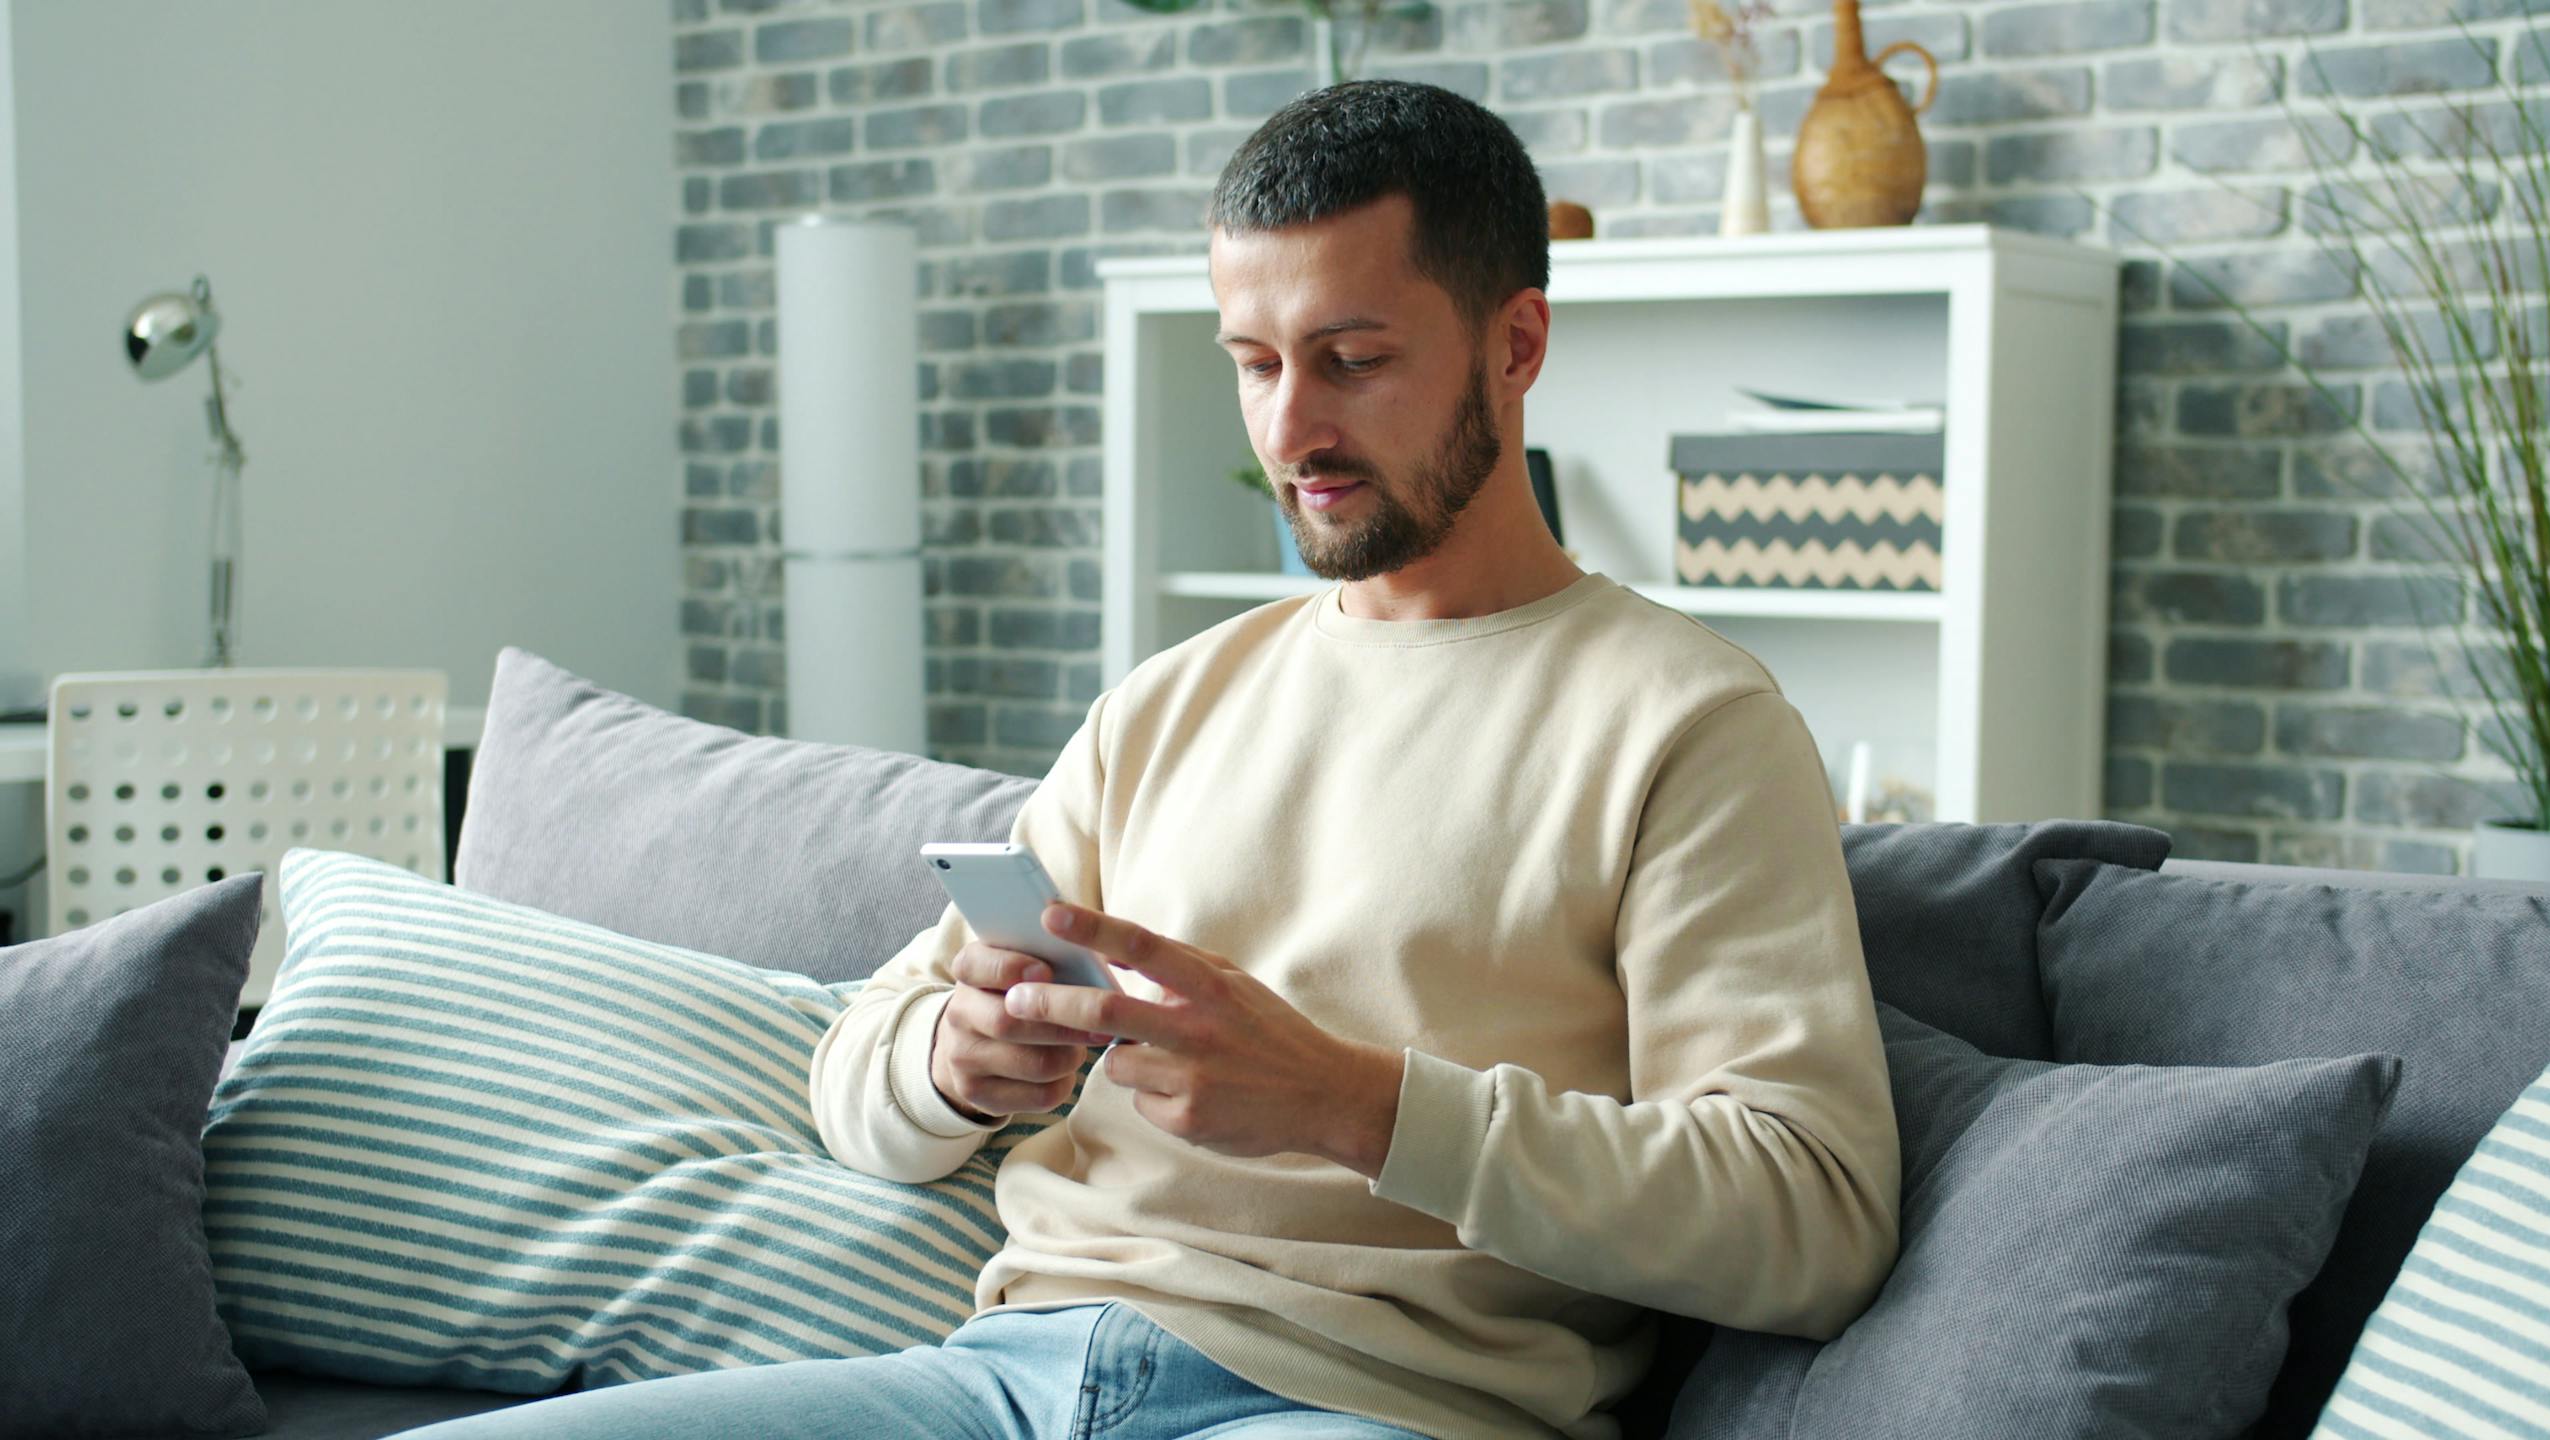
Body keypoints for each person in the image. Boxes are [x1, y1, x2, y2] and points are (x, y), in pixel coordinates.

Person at [395, 78, 1899, 1440]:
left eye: (1353, 359)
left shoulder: (1688, 725)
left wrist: (1354, 1104)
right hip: (1000, 1377)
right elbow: (856, 1069)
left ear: (1516, 346)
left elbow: (1812, 1221)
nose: (1291, 428)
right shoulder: (1169, 704)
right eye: (1254, 362)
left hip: (1369, 1403)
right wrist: (953, 1064)